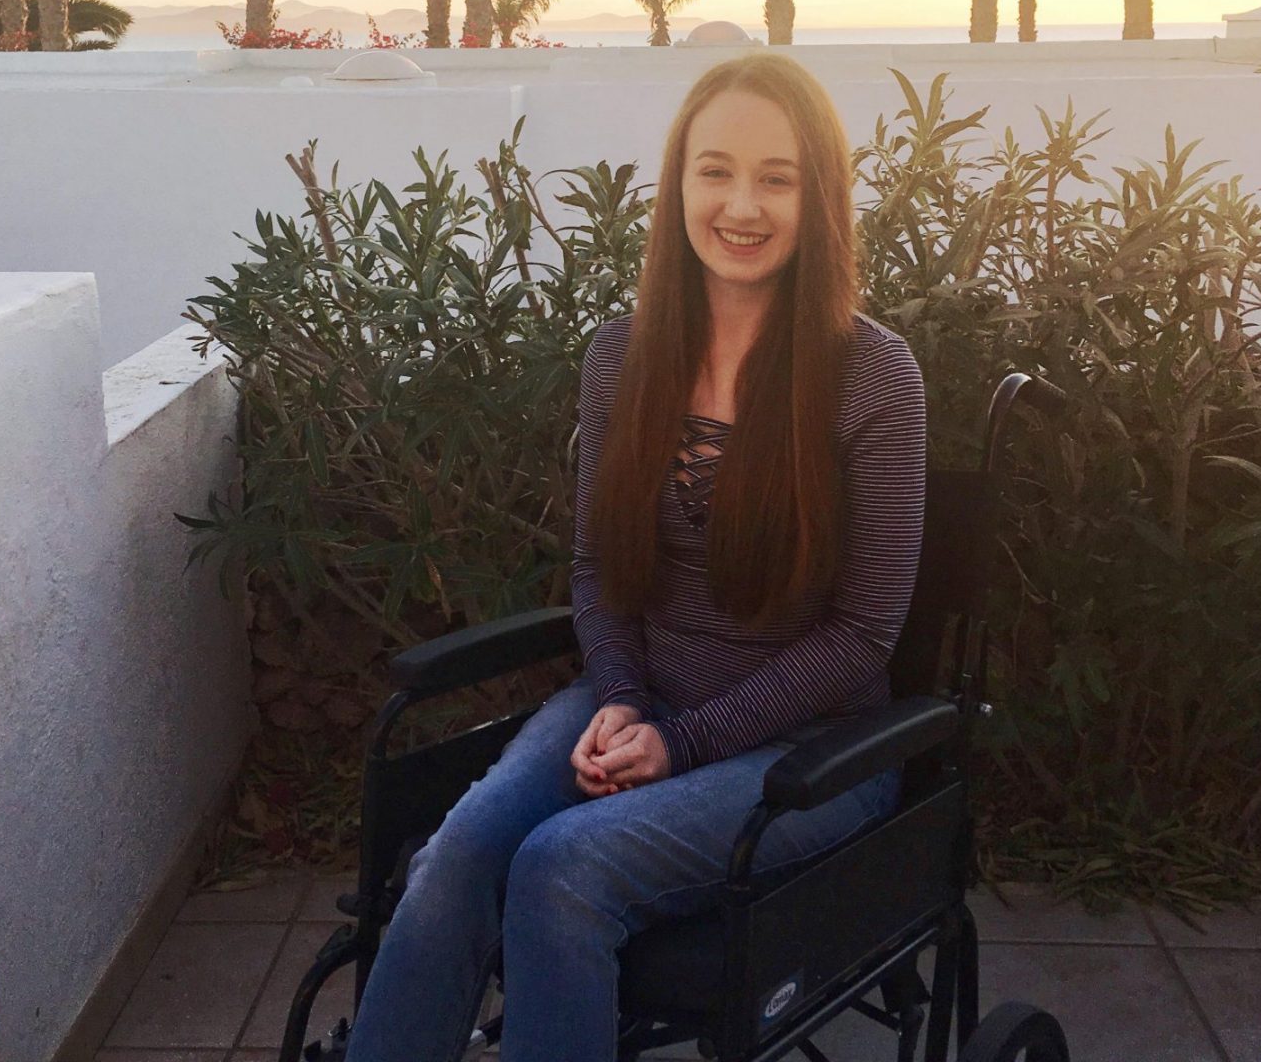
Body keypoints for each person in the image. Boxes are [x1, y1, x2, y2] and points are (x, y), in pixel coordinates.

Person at [342, 54, 927, 1062]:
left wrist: (685, 743)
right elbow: (600, 571)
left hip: (810, 755)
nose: (741, 204)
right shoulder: (623, 353)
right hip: (640, 703)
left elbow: (864, 633)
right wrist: (616, 696)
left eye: (777, 178)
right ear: (678, 185)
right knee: (459, 855)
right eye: (715, 170)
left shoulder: (871, 374)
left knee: (562, 868)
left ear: (818, 197)